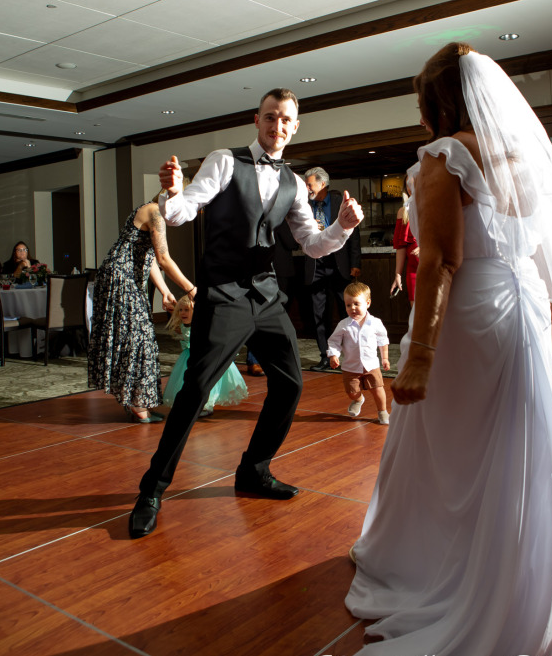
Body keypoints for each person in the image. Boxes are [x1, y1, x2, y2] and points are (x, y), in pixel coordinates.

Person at [342, 43, 552, 656]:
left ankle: (445, 572)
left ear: (437, 100)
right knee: (508, 452)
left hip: (465, 324)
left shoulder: (443, 158)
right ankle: (515, 583)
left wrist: (419, 356)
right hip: (519, 317)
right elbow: (544, 267)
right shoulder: (528, 158)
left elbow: (439, 264)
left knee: (450, 454)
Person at [128, 88, 363, 539]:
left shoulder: (294, 182)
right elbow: (186, 208)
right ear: (257, 120)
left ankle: (253, 470)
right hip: (224, 294)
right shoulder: (224, 160)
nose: (278, 126)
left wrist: (342, 227)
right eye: (270, 117)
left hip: (267, 294)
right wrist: (171, 193)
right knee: (195, 390)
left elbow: (311, 243)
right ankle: (151, 490)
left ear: (295, 127)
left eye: (286, 120)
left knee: (291, 384)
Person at [88, 201, 196, 424]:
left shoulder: (154, 213)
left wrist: (165, 291)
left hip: (127, 277)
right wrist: (191, 288)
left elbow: (150, 258)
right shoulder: (154, 211)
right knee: (138, 337)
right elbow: (164, 259)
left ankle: (137, 400)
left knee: (142, 336)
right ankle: (136, 402)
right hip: (120, 278)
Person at [304, 167, 362, 371]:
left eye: (310, 184)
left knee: (349, 313)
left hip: (340, 265)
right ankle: (326, 357)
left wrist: (355, 263)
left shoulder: (339, 203)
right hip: (315, 266)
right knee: (319, 315)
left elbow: (354, 236)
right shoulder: (304, 206)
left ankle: (354, 356)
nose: (307, 188)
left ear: (323, 184)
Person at [164, 294, 247, 417]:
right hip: (189, 357)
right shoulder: (182, 326)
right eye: (180, 310)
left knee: (205, 381)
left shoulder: (204, 326)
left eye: (187, 310)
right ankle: (191, 403)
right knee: (188, 381)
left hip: (204, 357)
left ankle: (205, 404)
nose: (182, 313)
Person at [327, 282, 391, 425]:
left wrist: (385, 358)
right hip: (351, 366)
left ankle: (382, 411)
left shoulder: (375, 323)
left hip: (371, 365)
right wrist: (334, 355)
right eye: (348, 305)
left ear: (367, 303)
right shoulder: (343, 325)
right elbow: (334, 341)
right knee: (352, 392)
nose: (352, 308)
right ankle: (358, 399)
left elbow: (383, 340)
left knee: (377, 389)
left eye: (356, 304)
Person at [389, 178, 419, 306]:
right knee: (416, 316)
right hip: (413, 271)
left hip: (434, 268)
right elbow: (401, 247)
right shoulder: (403, 211)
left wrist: (428, 247)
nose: (410, 187)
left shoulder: (435, 207)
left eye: (413, 183)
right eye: (407, 184)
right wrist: (398, 274)